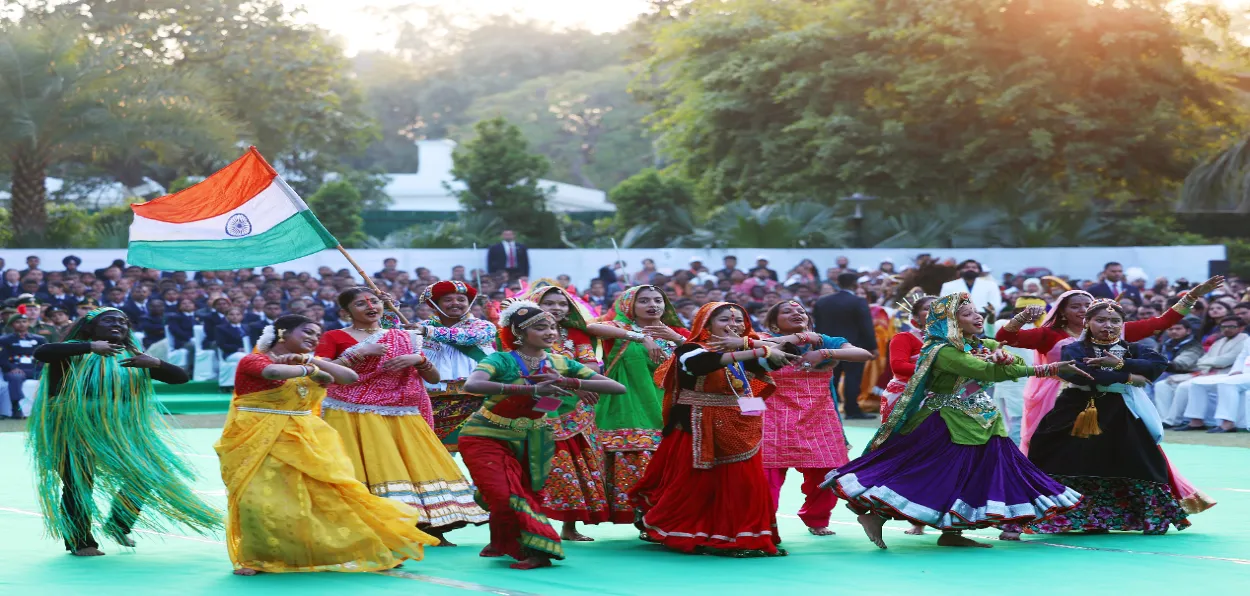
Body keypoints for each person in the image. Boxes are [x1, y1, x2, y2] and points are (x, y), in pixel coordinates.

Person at [822, 293, 1086, 549]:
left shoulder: (980, 344)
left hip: (984, 420)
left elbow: (1008, 356)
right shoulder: (942, 350)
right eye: (966, 313)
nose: (976, 316)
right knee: (937, 475)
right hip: (946, 422)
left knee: (975, 476)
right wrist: (1047, 369)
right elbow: (984, 370)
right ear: (951, 321)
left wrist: (1005, 356)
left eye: (975, 311)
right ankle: (876, 514)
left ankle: (952, 533)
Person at [216, 314, 439, 575]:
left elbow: (348, 377)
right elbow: (274, 372)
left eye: (316, 334)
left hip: (305, 437)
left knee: (327, 495)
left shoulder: (314, 361)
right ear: (282, 333)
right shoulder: (253, 359)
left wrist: (312, 360)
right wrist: (309, 369)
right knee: (257, 498)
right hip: (257, 437)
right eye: (307, 332)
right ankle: (256, 558)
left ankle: (363, 547)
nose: (313, 338)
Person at [28, 307, 220, 556]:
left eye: (123, 321)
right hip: (73, 430)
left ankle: (118, 524)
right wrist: (89, 348)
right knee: (78, 483)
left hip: (122, 433)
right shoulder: (74, 349)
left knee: (147, 474)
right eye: (109, 320)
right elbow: (42, 352)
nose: (118, 324)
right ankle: (80, 542)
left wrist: (156, 363)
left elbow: (180, 378)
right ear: (90, 327)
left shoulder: (132, 355)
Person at [1004, 300, 1199, 536]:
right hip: (1076, 410)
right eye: (1101, 320)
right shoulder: (1075, 348)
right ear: (1087, 323)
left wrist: (1118, 364)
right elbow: (1082, 374)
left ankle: (1147, 518)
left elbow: (1157, 365)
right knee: (1049, 454)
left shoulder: (1133, 348)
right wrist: (1129, 377)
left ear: (1122, 324)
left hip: (1122, 412)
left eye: (1115, 320)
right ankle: (1030, 519)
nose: (1108, 325)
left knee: (1140, 460)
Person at [315, 288, 488, 545]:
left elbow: (433, 379)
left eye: (374, 301)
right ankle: (371, 530)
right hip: (351, 414)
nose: (370, 306)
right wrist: (356, 354)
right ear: (345, 312)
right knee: (370, 470)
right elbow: (318, 370)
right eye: (361, 304)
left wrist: (417, 359)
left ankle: (430, 528)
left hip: (402, 413)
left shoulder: (405, 337)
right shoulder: (334, 336)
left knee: (416, 469)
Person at [461, 301, 625, 569]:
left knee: (526, 492)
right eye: (540, 327)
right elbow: (474, 384)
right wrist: (528, 389)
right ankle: (539, 550)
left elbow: (616, 387)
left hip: (534, 437)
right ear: (519, 334)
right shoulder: (500, 359)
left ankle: (504, 540)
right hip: (486, 434)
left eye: (552, 327)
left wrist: (568, 382)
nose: (551, 332)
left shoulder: (560, 363)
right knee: (503, 492)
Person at [631, 302, 794, 556]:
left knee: (744, 484)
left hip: (741, 425)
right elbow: (703, 364)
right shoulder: (689, 349)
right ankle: (693, 532)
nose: (733, 325)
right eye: (723, 320)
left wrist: (762, 346)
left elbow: (779, 359)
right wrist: (753, 349)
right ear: (706, 325)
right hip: (697, 425)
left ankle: (741, 536)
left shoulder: (747, 349)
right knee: (698, 485)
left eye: (739, 321)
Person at [995, 276, 1223, 453]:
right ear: (1062, 311)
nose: (1082, 309)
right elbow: (1004, 337)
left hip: (1110, 395)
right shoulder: (1047, 334)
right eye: (1075, 306)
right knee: (1052, 448)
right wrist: (1022, 319)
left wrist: (1190, 297)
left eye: (1087, 305)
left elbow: (1161, 323)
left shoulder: (1114, 328)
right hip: (1058, 395)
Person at [759, 300, 872, 536]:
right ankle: (764, 524)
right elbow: (763, 348)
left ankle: (816, 517)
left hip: (818, 417)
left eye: (800, 310)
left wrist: (823, 352)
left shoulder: (824, 340)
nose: (796, 313)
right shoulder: (763, 337)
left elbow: (863, 354)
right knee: (768, 475)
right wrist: (799, 339)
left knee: (827, 472)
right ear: (773, 322)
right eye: (787, 311)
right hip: (774, 417)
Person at [584, 285, 690, 527]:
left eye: (658, 300)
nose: (653, 305)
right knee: (639, 461)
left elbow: (705, 353)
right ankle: (644, 516)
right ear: (628, 306)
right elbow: (590, 327)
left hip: (670, 408)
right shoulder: (620, 329)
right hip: (628, 410)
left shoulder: (677, 332)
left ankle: (665, 517)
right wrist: (640, 336)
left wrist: (677, 339)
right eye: (644, 301)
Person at [519, 282, 612, 541]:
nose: (557, 308)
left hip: (576, 409)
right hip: (540, 405)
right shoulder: (520, 334)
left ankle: (569, 527)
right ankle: (532, 525)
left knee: (576, 464)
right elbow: (525, 367)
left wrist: (582, 384)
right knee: (541, 463)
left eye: (562, 304)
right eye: (549, 303)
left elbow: (590, 364)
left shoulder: (575, 334)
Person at [416, 280, 498, 447]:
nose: (455, 303)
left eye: (461, 300)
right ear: (435, 304)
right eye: (448, 300)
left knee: (476, 446)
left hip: (476, 397)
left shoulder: (483, 326)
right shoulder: (421, 327)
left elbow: (467, 338)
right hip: (431, 397)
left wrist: (430, 332)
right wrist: (388, 309)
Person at [1161, 316, 1247, 429]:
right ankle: (1173, 420)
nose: (1226, 329)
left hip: (1226, 374)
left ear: (1241, 328)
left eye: (1231, 326)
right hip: (1207, 373)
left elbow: (1226, 360)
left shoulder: (1244, 340)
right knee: (1163, 384)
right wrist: (1209, 362)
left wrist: (1208, 362)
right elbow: (1201, 361)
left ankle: (1174, 420)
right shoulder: (1219, 341)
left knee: (1185, 386)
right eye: (1223, 327)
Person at [812, 272, 875, 419]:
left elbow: (817, 325)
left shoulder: (822, 301)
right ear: (855, 284)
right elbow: (866, 327)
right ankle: (852, 410)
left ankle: (827, 410)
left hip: (827, 345)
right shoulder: (858, 301)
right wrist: (872, 347)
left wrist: (819, 345)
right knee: (853, 378)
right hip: (853, 347)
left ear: (838, 283)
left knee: (830, 378)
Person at [0, 312, 46, 418]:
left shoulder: (40, 339)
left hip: (35, 368)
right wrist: (12, 368)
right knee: (15, 377)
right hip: (16, 369)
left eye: (24, 321)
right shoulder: (4, 340)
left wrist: (41, 367)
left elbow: (45, 356)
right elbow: (2, 358)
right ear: (12, 325)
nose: (21, 324)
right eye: (17, 322)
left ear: (28, 323)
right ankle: (16, 406)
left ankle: (49, 407)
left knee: (52, 376)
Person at [939, 259, 1004, 316]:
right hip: (957, 320)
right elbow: (944, 305)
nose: (970, 269)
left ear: (979, 270)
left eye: (974, 267)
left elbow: (995, 304)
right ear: (960, 270)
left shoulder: (991, 285)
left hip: (983, 318)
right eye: (967, 267)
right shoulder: (948, 285)